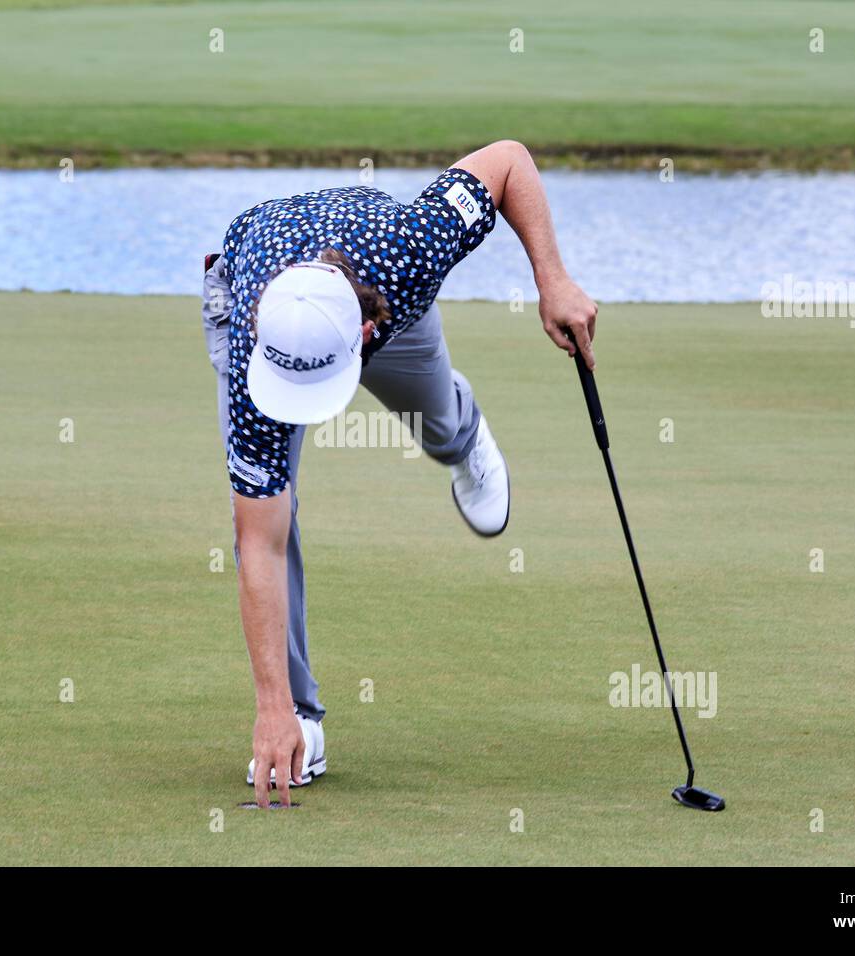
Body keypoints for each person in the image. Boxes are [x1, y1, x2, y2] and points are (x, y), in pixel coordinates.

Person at [201, 141, 599, 807]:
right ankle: (301, 716)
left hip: (384, 291)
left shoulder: (410, 247)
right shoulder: (251, 354)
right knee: (275, 506)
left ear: (359, 336)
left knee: (438, 423)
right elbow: (255, 543)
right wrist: (270, 707)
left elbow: (507, 161)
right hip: (255, 291)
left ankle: (465, 435)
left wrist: (552, 279)